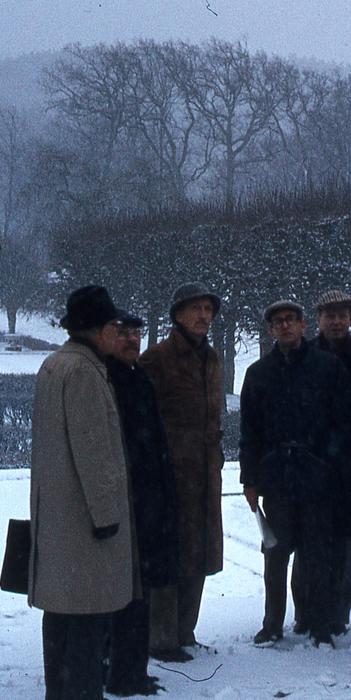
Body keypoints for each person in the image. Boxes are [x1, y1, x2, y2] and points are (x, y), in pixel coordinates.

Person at [29, 285, 133, 700]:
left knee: (60, 607)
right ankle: (83, 698)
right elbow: (95, 453)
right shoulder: (87, 374)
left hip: (56, 510)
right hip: (85, 513)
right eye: (114, 326)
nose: (119, 333)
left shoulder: (53, 365)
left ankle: (58, 692)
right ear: (100, 329)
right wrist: (107, 515)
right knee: (90, 607)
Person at [240, 300, 351, 647]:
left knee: (318, 554)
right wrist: (250, 479)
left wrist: (332, 466)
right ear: (270, 330)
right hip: (276, 477)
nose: (285, 326)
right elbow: (249, 431)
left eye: (290, 320)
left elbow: (342, 423)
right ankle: (272, 623)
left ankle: (319, 625)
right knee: (275, 553)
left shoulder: (328, 367)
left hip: (317, 476)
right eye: (277, 322)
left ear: (304, 324)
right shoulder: (258, 373)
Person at [139, 283, 225, 662]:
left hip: (205, 472)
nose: (203, 315)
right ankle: (161, 637)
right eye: (195, 309)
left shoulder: (212, 358)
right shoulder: (156, 359)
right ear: (177, 316)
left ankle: (184, 630)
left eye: (208, 309)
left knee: (200, 554)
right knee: (170, 555)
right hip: (171, 473)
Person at [104, 312, 180, 697]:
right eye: (123, 333)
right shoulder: (104, 380)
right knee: (121, 590)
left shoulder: (138, 379)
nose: (132, 340)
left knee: (140, 589)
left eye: (136, 333)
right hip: (123, 498)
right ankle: (120, 671)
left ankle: (133, 668)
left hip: (148, 497)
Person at [311, 289, 351, 635]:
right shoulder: (308, 355)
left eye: (341, 315)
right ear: (318, 320)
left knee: (344, 543)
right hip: (315, 458)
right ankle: (311, 613)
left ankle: (339, 614)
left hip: (350, 460)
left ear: (350, 319)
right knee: (312, 544)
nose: (335, 321)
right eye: (329, 316)